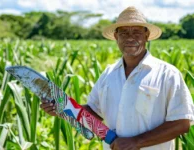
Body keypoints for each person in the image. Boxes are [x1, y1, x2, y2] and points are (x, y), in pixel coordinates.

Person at [40, 6, 194, 150]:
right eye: (124, 33)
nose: (130, 38)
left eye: (137, 32)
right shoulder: (108, 74)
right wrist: (64, 110)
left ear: (147, 36)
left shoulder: (167, 74)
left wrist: (136, 142)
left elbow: (182, 123)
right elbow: (94, 112)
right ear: (116, 36)